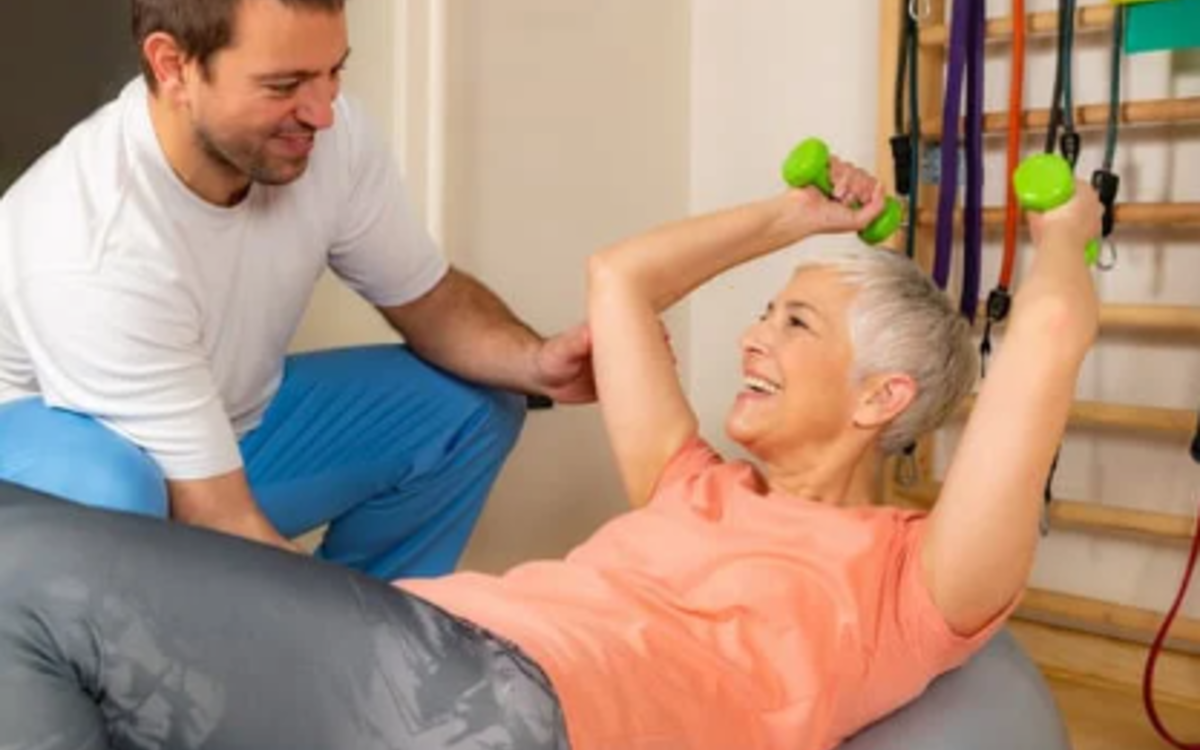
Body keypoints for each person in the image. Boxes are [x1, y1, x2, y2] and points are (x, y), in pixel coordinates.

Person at [0, 157, 1102, 750]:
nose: (753, 337)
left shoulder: (915, 576)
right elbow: (620, 278)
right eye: (767, 312)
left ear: (885, 398)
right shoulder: (689, 484)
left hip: (510, 702)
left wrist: (1062, 232)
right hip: (436, 654)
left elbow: (1047, 336)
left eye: (796, 325)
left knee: (25, 574)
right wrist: (791, 219)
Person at [0, 0, 594, 579]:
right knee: (115, 488)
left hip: (216, 435)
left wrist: (537, 363)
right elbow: (215, 513)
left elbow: (429, 299)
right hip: (51, 470)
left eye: (332, 72)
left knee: (473, 405)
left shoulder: (331, 141)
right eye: (284, 86)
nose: (322, 113)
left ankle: (375, 667)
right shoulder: (91, 242)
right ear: (173, 66)